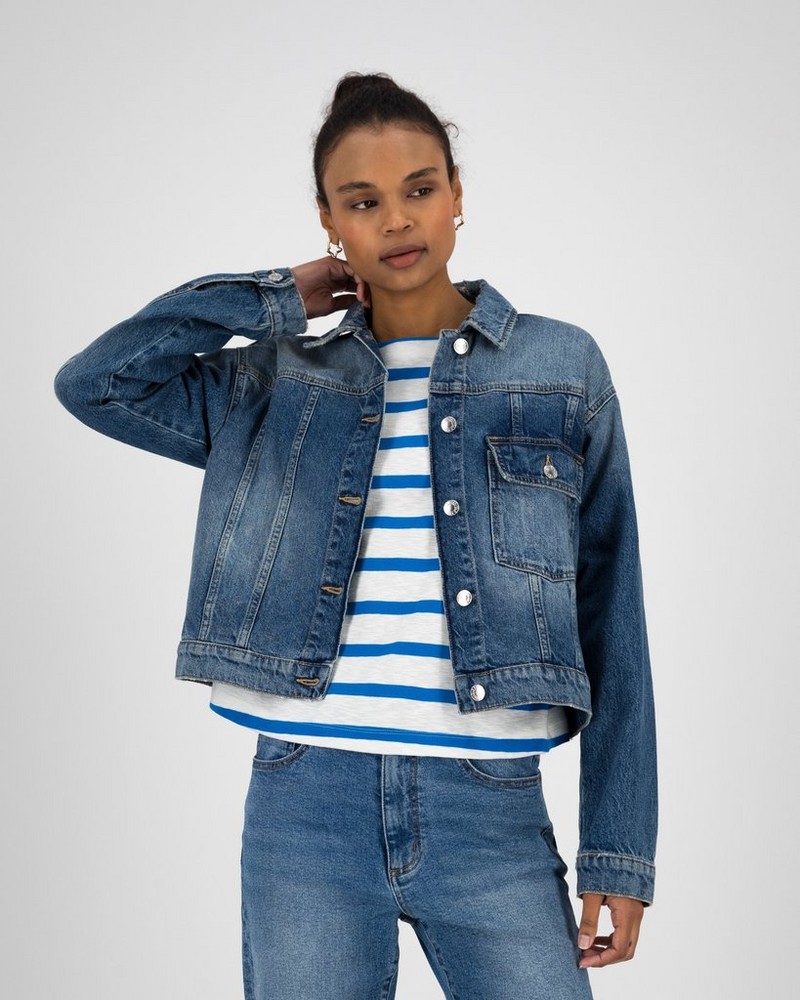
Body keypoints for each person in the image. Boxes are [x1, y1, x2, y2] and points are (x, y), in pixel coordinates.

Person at [54, 72, 657, 1000]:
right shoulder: (275, 380)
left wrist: (619, 847)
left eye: (420, 188)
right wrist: (272, 299)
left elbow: (613, 608)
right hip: (305, 803)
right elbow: (97, 383)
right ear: (330, 223)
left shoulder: (559, 366)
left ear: (457, 195)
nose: (398, 219)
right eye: (363, 200)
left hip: (491, 806)